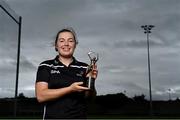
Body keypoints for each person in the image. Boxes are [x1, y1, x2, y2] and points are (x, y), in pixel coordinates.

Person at [35, 27, 98, 119]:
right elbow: (41, 96)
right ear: (56, 45)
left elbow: (89, 98)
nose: (66, 44)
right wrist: (70, 89)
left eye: (70, 41)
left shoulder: (85, 67)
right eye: (61, 41)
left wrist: (91, 80)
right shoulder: (46, 65)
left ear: (75, 45)